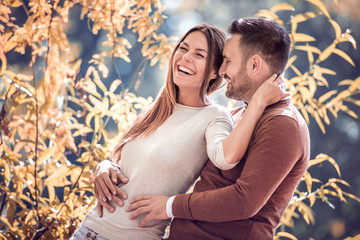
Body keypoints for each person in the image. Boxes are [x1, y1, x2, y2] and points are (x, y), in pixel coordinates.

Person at [97, 18, 310, 239]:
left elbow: (244, 201)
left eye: (227, 61)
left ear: (254, 65)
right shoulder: (238, 115)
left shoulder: (284, 124)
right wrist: (106, 167)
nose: (221, 70)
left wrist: (171, 206)